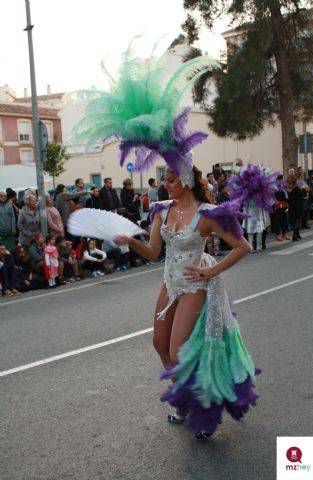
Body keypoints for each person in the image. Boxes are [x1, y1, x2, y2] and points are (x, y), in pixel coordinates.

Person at [72, 43, 258, 440]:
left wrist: (212, 271)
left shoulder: (207, 217)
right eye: (164, 180)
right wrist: (127, 240)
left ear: (186, 179)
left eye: (170, 179)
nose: (164, 184)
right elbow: (154, 252)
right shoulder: (160, 210)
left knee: (177, 351)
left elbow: (243, 247)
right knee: (159, 343)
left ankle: (201, 411)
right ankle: (182, 399)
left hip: (194, 285)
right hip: (170, 282)